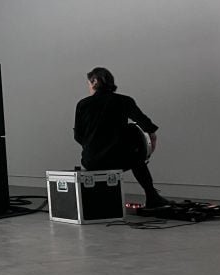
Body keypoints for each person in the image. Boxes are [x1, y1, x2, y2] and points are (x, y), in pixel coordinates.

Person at [73, 67, 170, 208]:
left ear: (94, 81)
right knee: (136, 156)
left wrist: (93, 146)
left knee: (128, 134)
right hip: (116, 160)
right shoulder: (124, 101)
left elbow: (78, 136)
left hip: (91, 162)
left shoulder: (82, 104)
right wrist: (152, 140)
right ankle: (152, 196)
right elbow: (144, 124)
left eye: (89, 83)